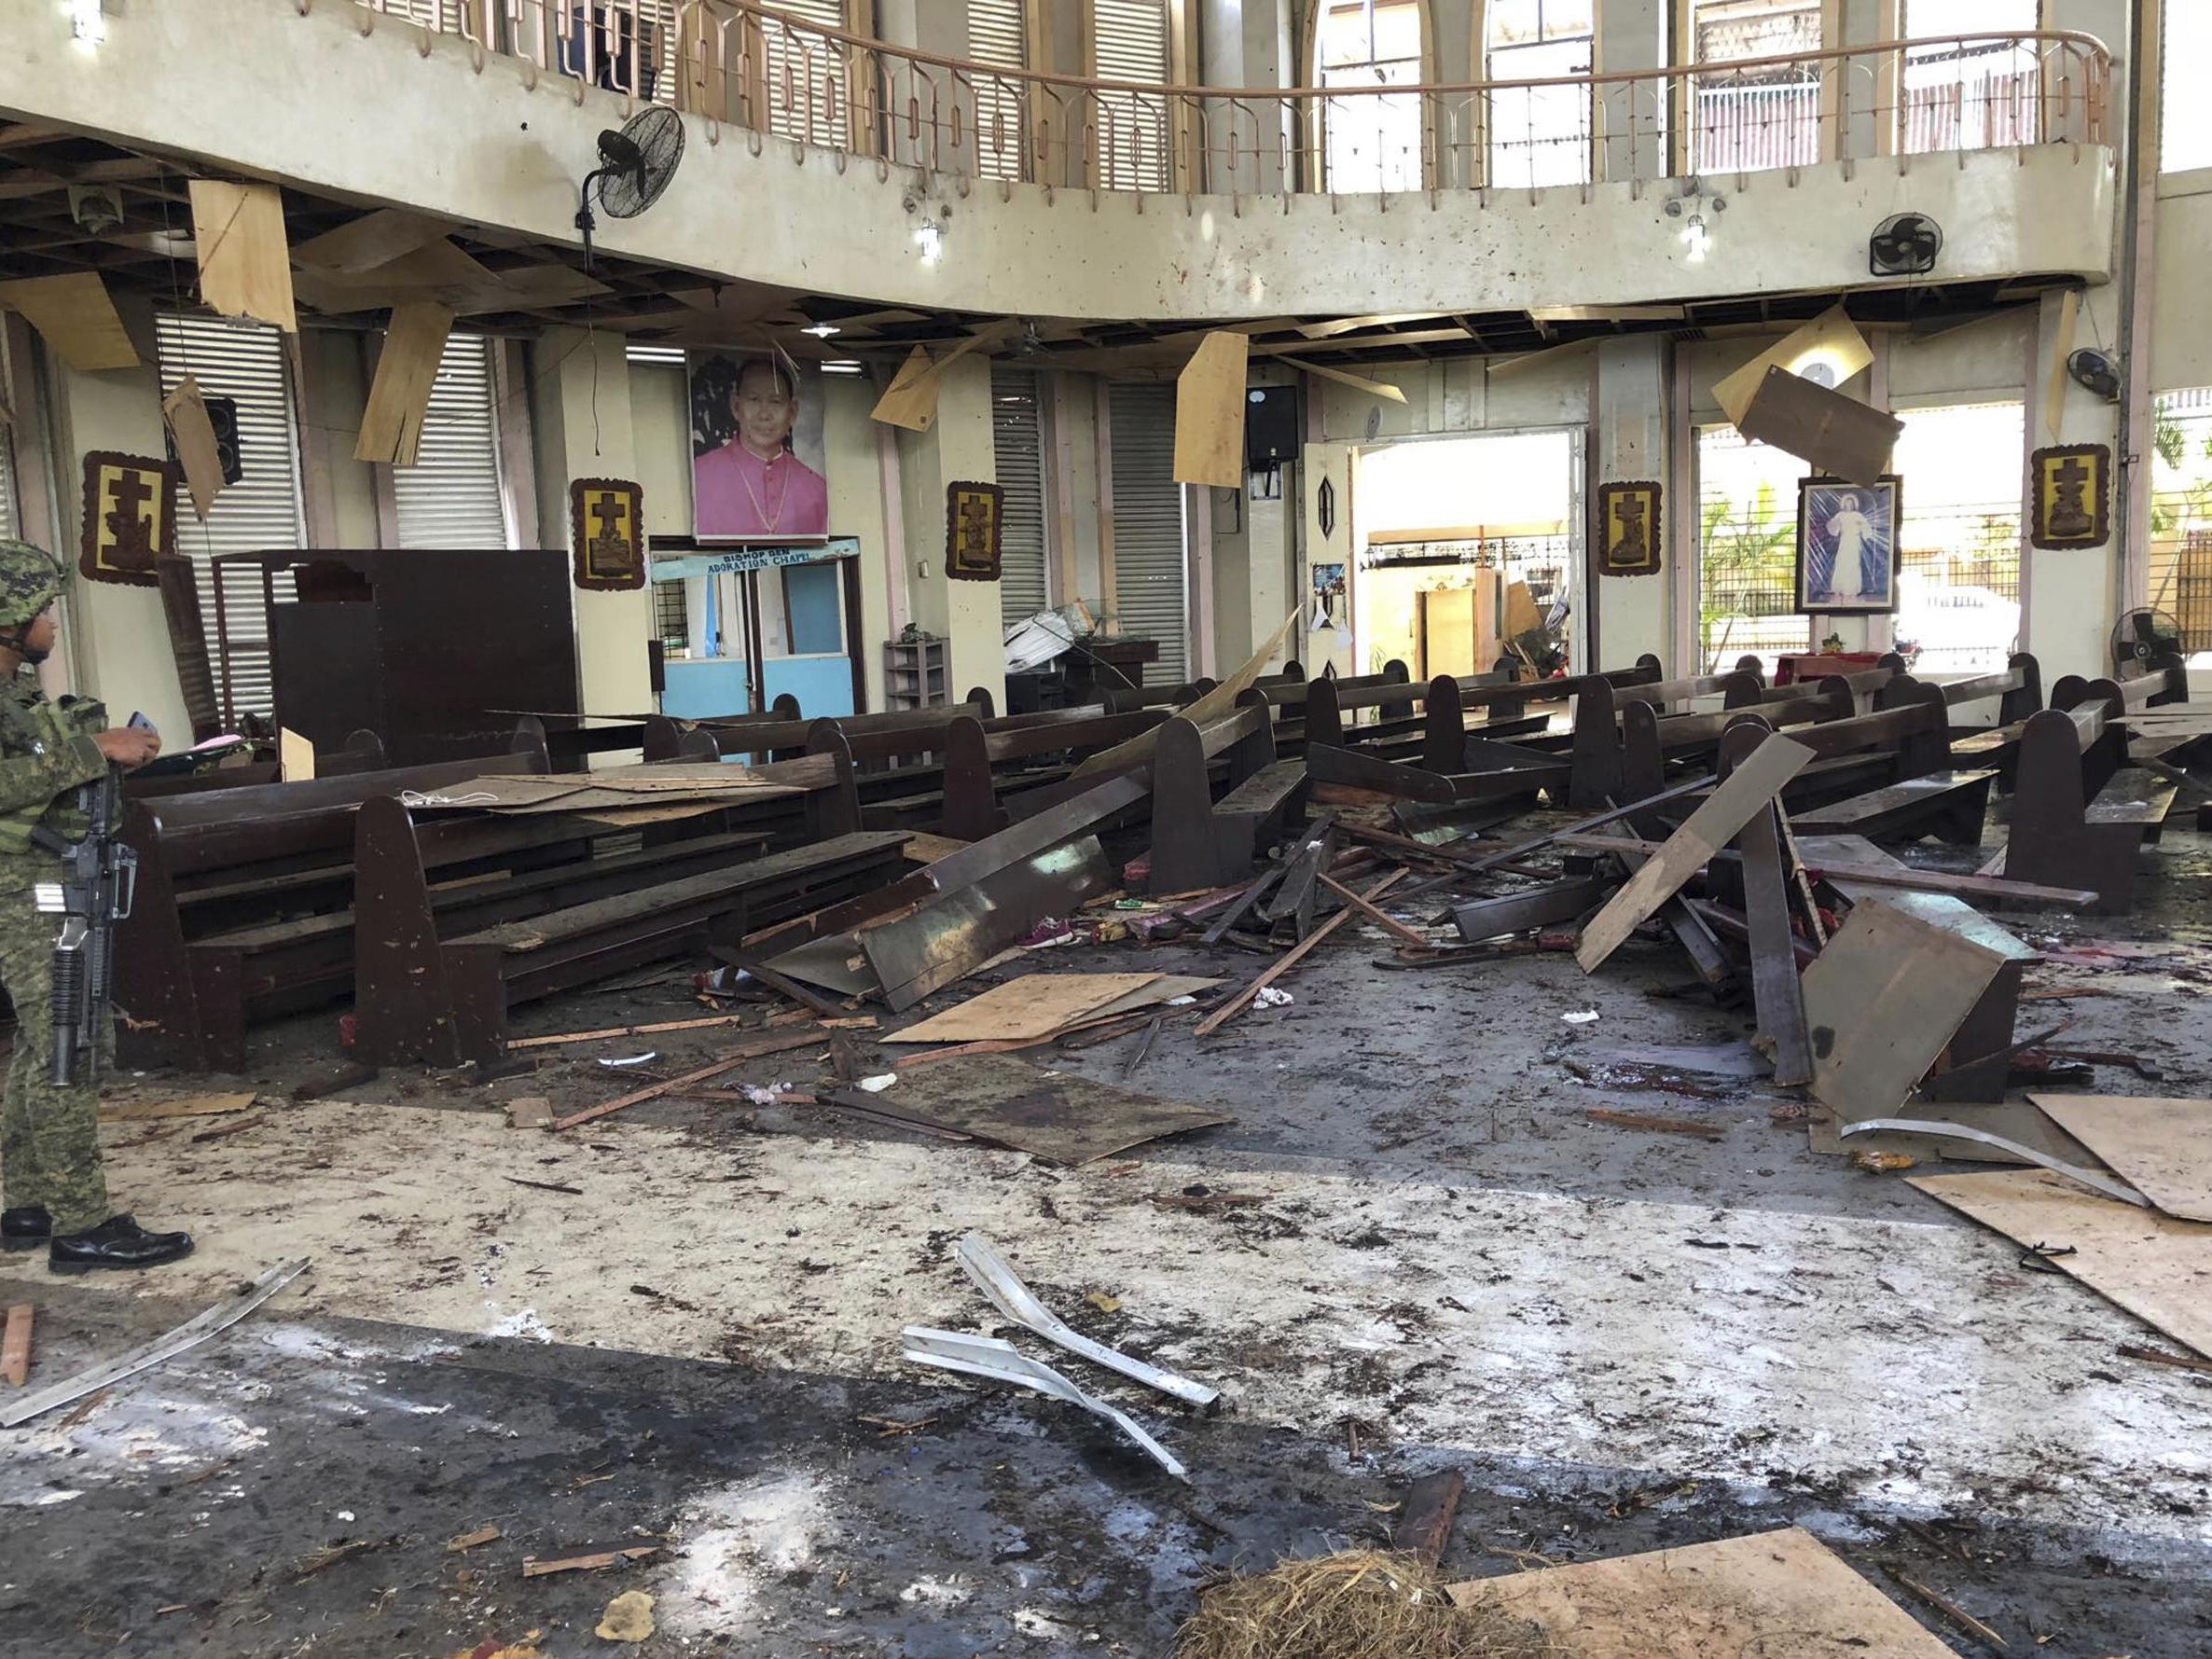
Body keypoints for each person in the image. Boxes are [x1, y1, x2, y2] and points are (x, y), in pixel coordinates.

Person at [0, 539, 192, 1273]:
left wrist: (104, 745)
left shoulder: (18, 695)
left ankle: (31, 1204)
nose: (52, 621)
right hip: (20, 892)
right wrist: (95, 752)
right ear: (10, 617)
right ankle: (82, 1226)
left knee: (40, 1040)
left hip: (47, 879)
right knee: (67, 1044)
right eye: (42, 609)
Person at [692, 356, 830, 539]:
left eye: (775, 401)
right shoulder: (701, 474)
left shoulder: (816, 489)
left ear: (793, 412)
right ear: (736, 406)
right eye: (754, 399)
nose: (764, 414)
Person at [1823, 491, 1873, 603]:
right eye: (1847, 503)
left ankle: (1852, 589)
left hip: (1854, 541)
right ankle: (1840, 588)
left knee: (1853, 563)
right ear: (1844, 504)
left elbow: (1866, 527)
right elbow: (1833, 527)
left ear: (1854, 505)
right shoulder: (1840, 515)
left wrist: (1862, 527)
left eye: (1851, 503)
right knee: (1842, 562)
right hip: (1844, 541)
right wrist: (1834, 523)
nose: (1849, 505)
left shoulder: (1857, 516)